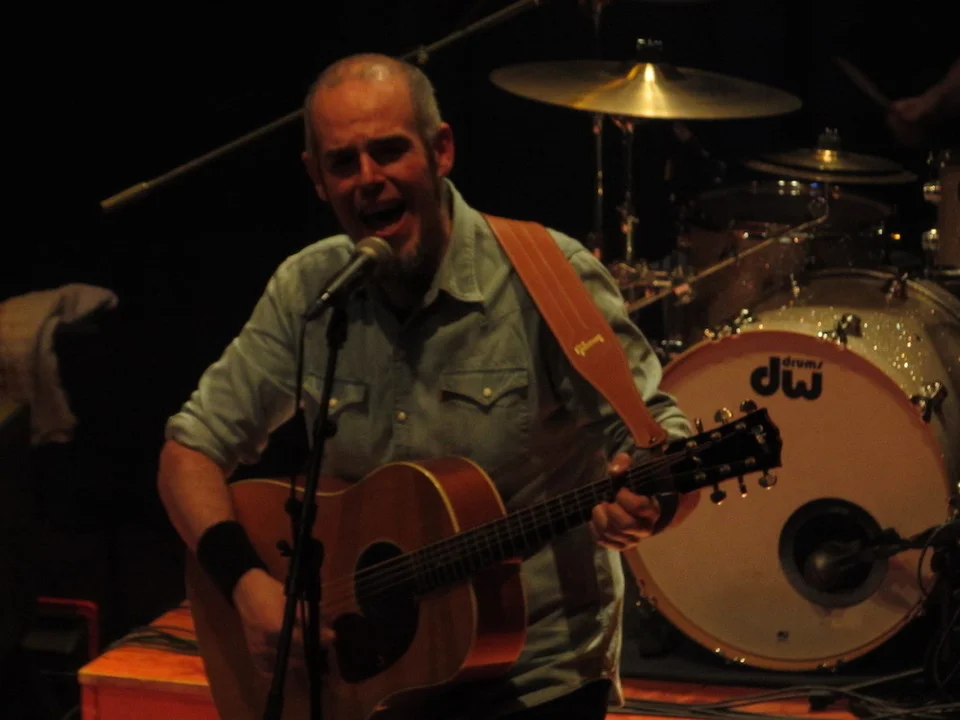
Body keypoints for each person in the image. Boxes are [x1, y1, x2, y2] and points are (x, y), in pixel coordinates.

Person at [157, 53, 695, 719]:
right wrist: (246, 585)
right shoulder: (309, 290)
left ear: (441, 150)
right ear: (316, 179)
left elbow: (658, 438)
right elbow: (189, 452)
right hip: (363, 683)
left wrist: (652, 498)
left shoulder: (548, 277)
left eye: (389, 151)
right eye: (343, 163)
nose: (368, 179)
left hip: (533, 680)